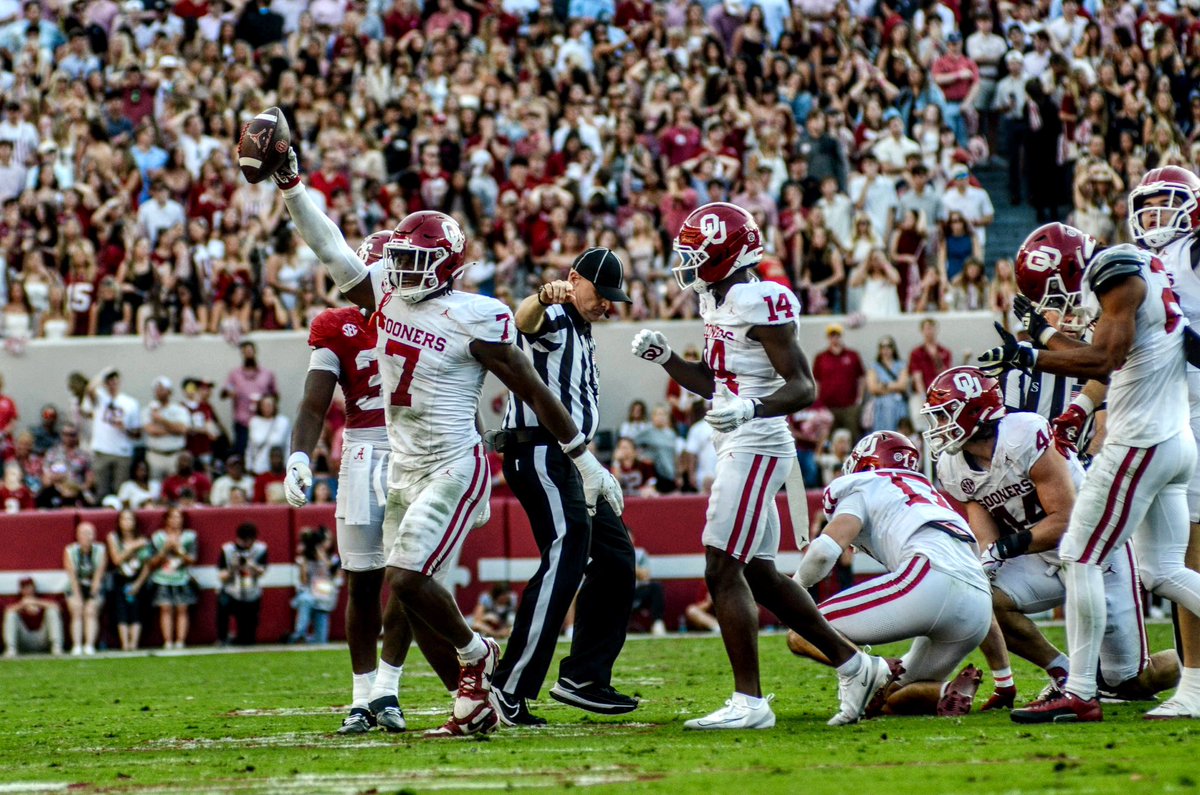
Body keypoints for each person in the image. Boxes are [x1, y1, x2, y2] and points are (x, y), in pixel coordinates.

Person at [273, 147, 622, 737]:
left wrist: (584, 460)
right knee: (402, 585)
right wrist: (289, 186)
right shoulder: (384, 292)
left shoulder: (476, 316)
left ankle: (476, 656)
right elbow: (328, 243)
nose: (401, 269)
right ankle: (473, 704)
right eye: (399, 258)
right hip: (404, 467)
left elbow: (534, 389)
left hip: (455, 466)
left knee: (406, 578)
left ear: (447, 266)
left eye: (414, 260)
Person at [632, 202, 894, 729]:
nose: (688, 263)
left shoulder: (762, 298)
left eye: (698, 253)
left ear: (729, 254)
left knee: (720, 564)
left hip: (758, 440)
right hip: (738, 436)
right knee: (760, 574)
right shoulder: (719, 298)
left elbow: (803, 386)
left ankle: (749, 702)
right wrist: (669, 362)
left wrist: (751, 407)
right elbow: (717, 385)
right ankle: (855, 664)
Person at [978, 224, 1200, 722]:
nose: (1064, 301)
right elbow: (1122, 353)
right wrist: (1041, 335)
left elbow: (1104, 358)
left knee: (1079, 554)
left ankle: (1078, 690)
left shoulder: (1116, 272)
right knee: (1163, 571)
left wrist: (1028, 353)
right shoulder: (1148, 269)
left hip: (1139, 439)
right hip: (1172, 437)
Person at [282, 236, 463, 733]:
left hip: (419, 450)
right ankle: (362, 696)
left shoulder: (434, 319)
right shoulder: (335, 326)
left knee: (407, 578)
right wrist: (300, 452)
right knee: (362, 581)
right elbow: (314, 402)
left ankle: (388, 689)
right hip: (363, 453)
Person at [925, 366, 1177, 709]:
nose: (939, 427)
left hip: (1095, 550)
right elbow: (986, 536)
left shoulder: (1025, 434)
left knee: (1132, 682)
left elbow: (1068, 520)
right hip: (1039, 557)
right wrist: (984, 560)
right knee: (980, 599)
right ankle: (1065, 674)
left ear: (974, 412)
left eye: (944, 415)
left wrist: (1003, 548)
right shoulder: (952, 467)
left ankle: (1190, 658)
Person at [490, 247, 638, 726]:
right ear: (574, 280)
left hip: (574, 460)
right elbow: (523, 321)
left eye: (612, 298)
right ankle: (507, 686)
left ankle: (584, 677)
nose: (606, 304)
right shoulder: (556, 313)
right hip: (541, 452)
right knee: (568, 550)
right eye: (600, 294)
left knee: (616, 558)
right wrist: (541, 294)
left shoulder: (584, 328)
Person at [788, 431, 992, 718]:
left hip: (929, 578)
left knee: (801, 630)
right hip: (978, 608)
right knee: (888, 698)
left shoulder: (864, 485)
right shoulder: (931, 497)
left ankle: (871, 668)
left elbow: (824, 552)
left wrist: (794, 590)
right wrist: (1005, 678)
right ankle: (945, 691)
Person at [1128, 166, 1200, 719]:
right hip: (1173, 412)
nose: (1155, 216)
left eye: (1166, 204)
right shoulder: (1141, 262)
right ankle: (1193, 685)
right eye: (1147, 205)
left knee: (1182, 555)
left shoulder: (1194, 251)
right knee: (1182, 554)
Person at [80, 367, 140, 499]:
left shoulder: (130, 403)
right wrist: (103, 374)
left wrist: (125, 428)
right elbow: (89, 389)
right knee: (101, 490)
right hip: (102, 450)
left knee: (121, 492)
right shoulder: (100, 399)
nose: (112, 383)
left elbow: (137, 433)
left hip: (122, 452)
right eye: (109, 380)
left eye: (114, 380)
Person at [148, 506, 198, 650]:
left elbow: (192, 559)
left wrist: (179, 550)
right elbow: (152, 562)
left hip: (182, 576)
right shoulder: (158, 537)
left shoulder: (189, 536)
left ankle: (180, 641)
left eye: (179, 517)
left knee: (182, 608)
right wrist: (165, 549)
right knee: (165, 607)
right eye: (173, 517)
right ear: (167, 520)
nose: (176, 521)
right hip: (162, 577)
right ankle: (168, 641)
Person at [221, 341, 277, 457]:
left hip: (262, 420)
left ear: (255, 352)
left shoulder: (267, 374)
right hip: (243, 421)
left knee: (263, 452)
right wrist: (229, 392)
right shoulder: (235, 374)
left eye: (250, 351)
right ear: (242, 354)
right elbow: (223, 393)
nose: (248, 354)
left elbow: (275, 395)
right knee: (241, 451)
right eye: (245, 352)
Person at [106, 509, 151, 651]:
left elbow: (147, 565)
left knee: (137, 609)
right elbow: (117, 559)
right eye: (124, 519)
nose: (127, 523)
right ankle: (124, 643)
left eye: (130, 519)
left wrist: (138, 583)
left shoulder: (142, 539)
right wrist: (133, 546)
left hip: (138, 578)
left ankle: (134, 643)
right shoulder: (114, 538)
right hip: (121, 578)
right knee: (121, 609)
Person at [217, 523, 268, 646]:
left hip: (251, 591)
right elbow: (222, 575)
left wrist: (251, 565)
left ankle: (245, 639)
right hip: (231, 589)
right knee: (223, 607)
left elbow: (261, 571)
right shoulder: (228, 550)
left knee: (248, 630)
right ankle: (222, 638)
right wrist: (234, 567)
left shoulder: (260, 549)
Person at [811, 323, 865, 439]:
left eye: (837, 335)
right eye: (832, 336)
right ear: (828, 338)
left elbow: (861, 377)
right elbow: (817, 381)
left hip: (849, 406)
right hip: (827, 406)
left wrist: (859, 398)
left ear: (841, 336)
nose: (834, 338)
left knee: (852, 436)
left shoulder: (852, 355)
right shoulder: (821, 357)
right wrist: (817, 402)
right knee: (829, 437)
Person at [290, 526, 342, 645]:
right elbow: (303, 581)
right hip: (309, 594)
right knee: (305, 600)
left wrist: (322, 557)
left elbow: (335, 575)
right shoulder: (306, 558)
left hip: (324, 598)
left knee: (321, 641)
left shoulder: (334, 559)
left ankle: (304, 639)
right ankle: (299, 634)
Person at [64, 521, 107, 655]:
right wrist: (78, 597)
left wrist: (91, 596)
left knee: (90, 610)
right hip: (76, 585)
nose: (87, 537)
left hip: (93, 585)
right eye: (83, 533)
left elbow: (98, 575)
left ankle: (89, 644)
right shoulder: (70, 551)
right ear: (77, 535)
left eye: (89, 533)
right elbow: (72, 576)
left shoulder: (100, 550)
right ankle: (77, 645)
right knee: (77, 609)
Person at [141, 376, 190, 482]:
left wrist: (161, 420)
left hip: (174, 455)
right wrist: (173, 429)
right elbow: (151, 431)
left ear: (170, 391)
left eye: (162, 389)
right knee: (154, 484)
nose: (159, 392)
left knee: (176, 482)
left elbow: (182, 429)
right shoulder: (148, 410)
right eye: (157, 389)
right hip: (155, 454)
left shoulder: (179, 410)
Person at [907, 318, 953, 427]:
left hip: (940, 394)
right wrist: (925, 398)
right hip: (923, 393)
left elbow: (946, 375)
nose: (929, 332)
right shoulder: (916, 353)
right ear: (922, 331)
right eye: (927, 329)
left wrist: (937, 358)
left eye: (932, 328)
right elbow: (917, 377)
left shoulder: (944, 352)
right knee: (920, 418)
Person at [3, 577, 62, 657]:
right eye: (25, 588)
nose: (28, 590)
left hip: (42, 638)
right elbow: (8, 611)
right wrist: (23, 605)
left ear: (34, 588)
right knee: (11, 615)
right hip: (24, 638)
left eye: (30, 587)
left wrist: (36, 602)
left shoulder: (42, 598)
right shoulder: (17, 600)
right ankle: (11, 649)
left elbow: (56, 607)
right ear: (21, 590)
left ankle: (56, 647)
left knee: (52, 612)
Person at [865, 336, 909, 432]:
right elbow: (873, 388)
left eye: (889, 347)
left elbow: (902, 385)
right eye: (883, 347)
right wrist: (894, 386)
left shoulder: (901, 365)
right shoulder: (874, 366)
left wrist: (884, 385)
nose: (886, 350)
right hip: (881, 406)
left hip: (899, 404)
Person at [246, 395, 290, 475]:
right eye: (264, 405)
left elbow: (288, 445)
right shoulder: (254, 422)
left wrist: (287, 465)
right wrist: (249, 466)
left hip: (278, 468)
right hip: (259, 467)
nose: (267, 408)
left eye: (269, 405)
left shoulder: (283, 422)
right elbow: (250, 446)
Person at [630, 539, 666, 636]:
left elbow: (645, 576)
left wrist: (628, 559)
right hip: (614, 593)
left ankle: (657, 624)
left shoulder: (640, 554)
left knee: (656, 587)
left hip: (636, 592)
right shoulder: (610, 552)